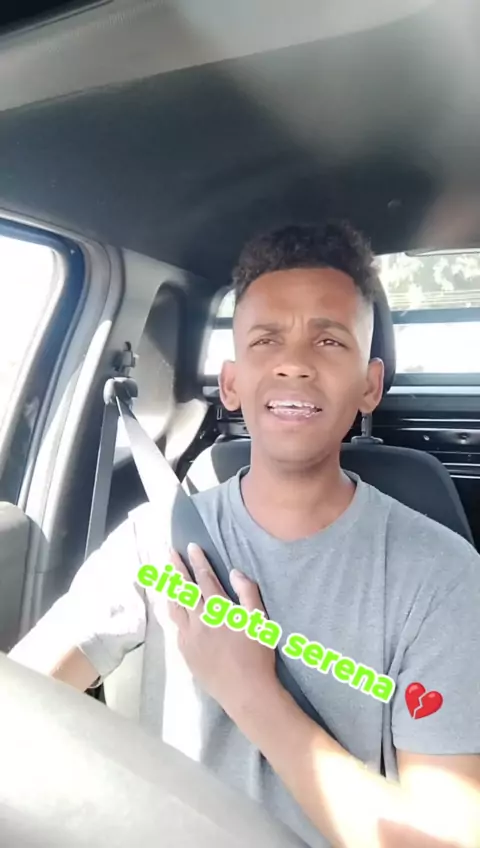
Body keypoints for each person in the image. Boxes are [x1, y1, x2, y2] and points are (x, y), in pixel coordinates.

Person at [9, 222, 480, 848]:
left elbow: (440, 840)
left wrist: (251, 693)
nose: (294, 363)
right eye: (266, 339)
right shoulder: (153, 544)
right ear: (230, 383)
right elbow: (20, 708)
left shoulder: (441, 577)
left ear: (370, 385)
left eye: (329, 340)